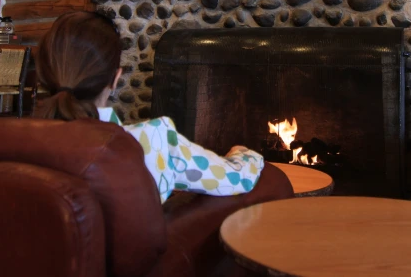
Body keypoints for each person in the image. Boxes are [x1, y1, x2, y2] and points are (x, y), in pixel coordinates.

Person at [32, 11, 264, 203]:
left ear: (44, 76)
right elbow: (238, 179)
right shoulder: (150, 142)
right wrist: (244, 153)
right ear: (115, 78)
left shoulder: (13, 144)